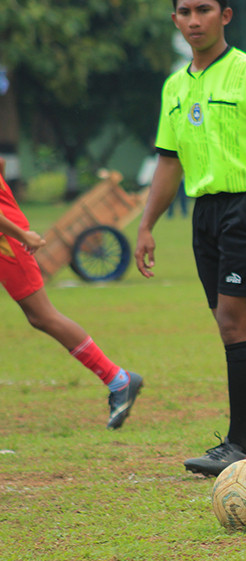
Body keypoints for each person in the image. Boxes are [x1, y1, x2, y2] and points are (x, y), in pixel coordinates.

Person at [134, 0, 246, 476]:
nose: (193, 19)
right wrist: (146, 225)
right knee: (239, 325)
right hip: (206, 212)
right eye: (184, 11)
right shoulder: (175, 86)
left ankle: (240, 443)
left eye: (203, 9)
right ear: (174, 21)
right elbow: (169, 162)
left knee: (233, 321)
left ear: (225, 15)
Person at [0, 157, 143, 430]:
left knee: (41, 315)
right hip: (10, 231)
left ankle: (118, 379)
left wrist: (20, 231)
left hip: (7, 239)